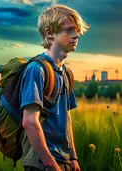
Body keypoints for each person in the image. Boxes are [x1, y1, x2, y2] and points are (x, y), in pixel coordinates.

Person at [20, 4, 89, 171]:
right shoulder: (37, 70)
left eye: (77, 30)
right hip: (41, 162)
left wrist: (73, 158)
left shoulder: (67, 73)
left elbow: (67, 118)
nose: (76, 35)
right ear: (49, 33)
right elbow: (29, 121)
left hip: (64, 161)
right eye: (69, 30)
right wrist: (50, 164)